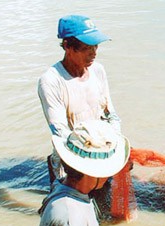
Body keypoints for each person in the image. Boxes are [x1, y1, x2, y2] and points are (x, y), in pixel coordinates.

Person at [39, 14, 121, 182]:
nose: (94, 53)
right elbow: (60, 131)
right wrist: (85, 162)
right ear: (68, 47)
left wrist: (116, 145)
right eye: (87, 47)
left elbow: (110, 114)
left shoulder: (98, 71)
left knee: (104, 202)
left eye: (96, 46)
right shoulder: (52, 80)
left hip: (101, 152)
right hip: (71, 159)